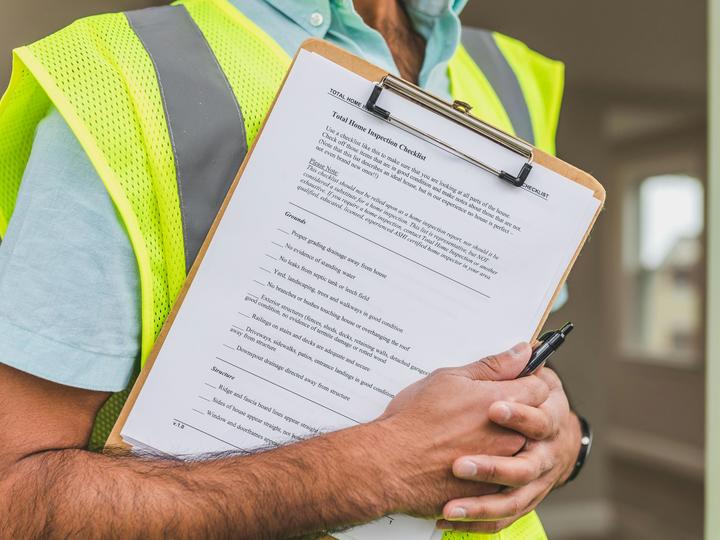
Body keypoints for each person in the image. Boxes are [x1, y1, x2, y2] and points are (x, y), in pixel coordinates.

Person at [0, 0, 586, 537]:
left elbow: (512, 365)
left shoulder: (507, 72)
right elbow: (14, 497)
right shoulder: (120, 76)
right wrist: (377, 468)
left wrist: (561, 445)